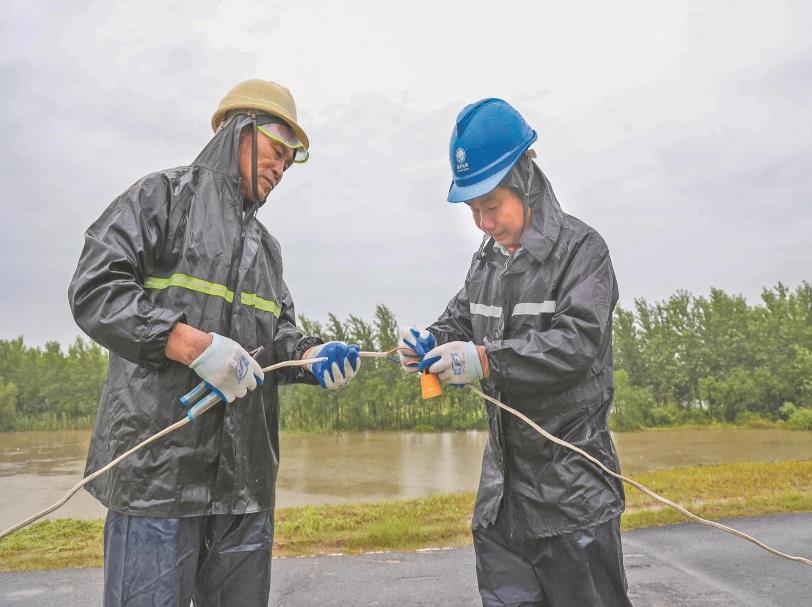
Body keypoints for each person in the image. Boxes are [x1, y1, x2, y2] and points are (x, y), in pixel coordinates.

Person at [68, 79, 360, 607]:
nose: (279, 170)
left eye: (289, 164)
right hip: (157, 482)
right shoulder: (161, 198)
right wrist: (189, 344)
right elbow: (95, 290)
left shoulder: (266, 250)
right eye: (275, 153)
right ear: (239, 131)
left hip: (244, 490)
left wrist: (313, 355)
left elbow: (280, 338)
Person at [399, 98, 632, 606]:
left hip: (574, 503)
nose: (482, 223)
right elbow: (456, 322)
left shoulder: (582, 252)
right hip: (502, 507)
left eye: (490, 206)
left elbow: (575, 345)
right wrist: (428, 344)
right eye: (472, 210)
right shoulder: (485, 265)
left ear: (524, 181)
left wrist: (484, 360)